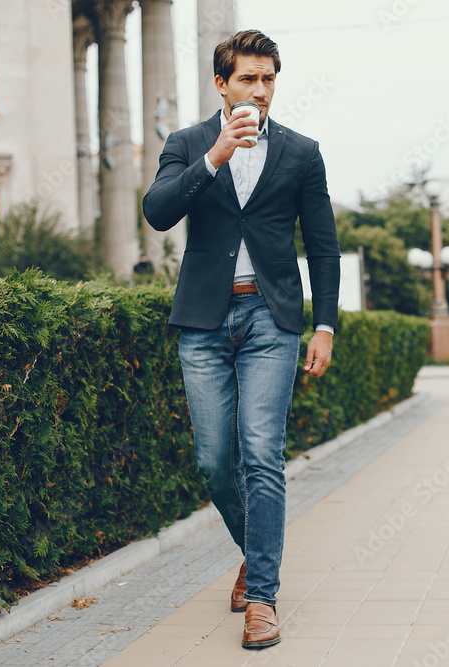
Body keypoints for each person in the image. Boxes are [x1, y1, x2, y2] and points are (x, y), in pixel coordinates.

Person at [142, 29, 340, 650]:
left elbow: (323, 245)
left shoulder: (302, 153)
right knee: (214, 460)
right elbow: (157, 211)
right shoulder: (187, 143)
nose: (260, 90)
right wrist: (215, 158)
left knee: (261, 452)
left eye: (269, 78)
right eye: (248, 78)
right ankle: (255, 556)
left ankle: (262, 598)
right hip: (203, 319)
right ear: (222, 83)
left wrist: (326, 325)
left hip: (270, 318)